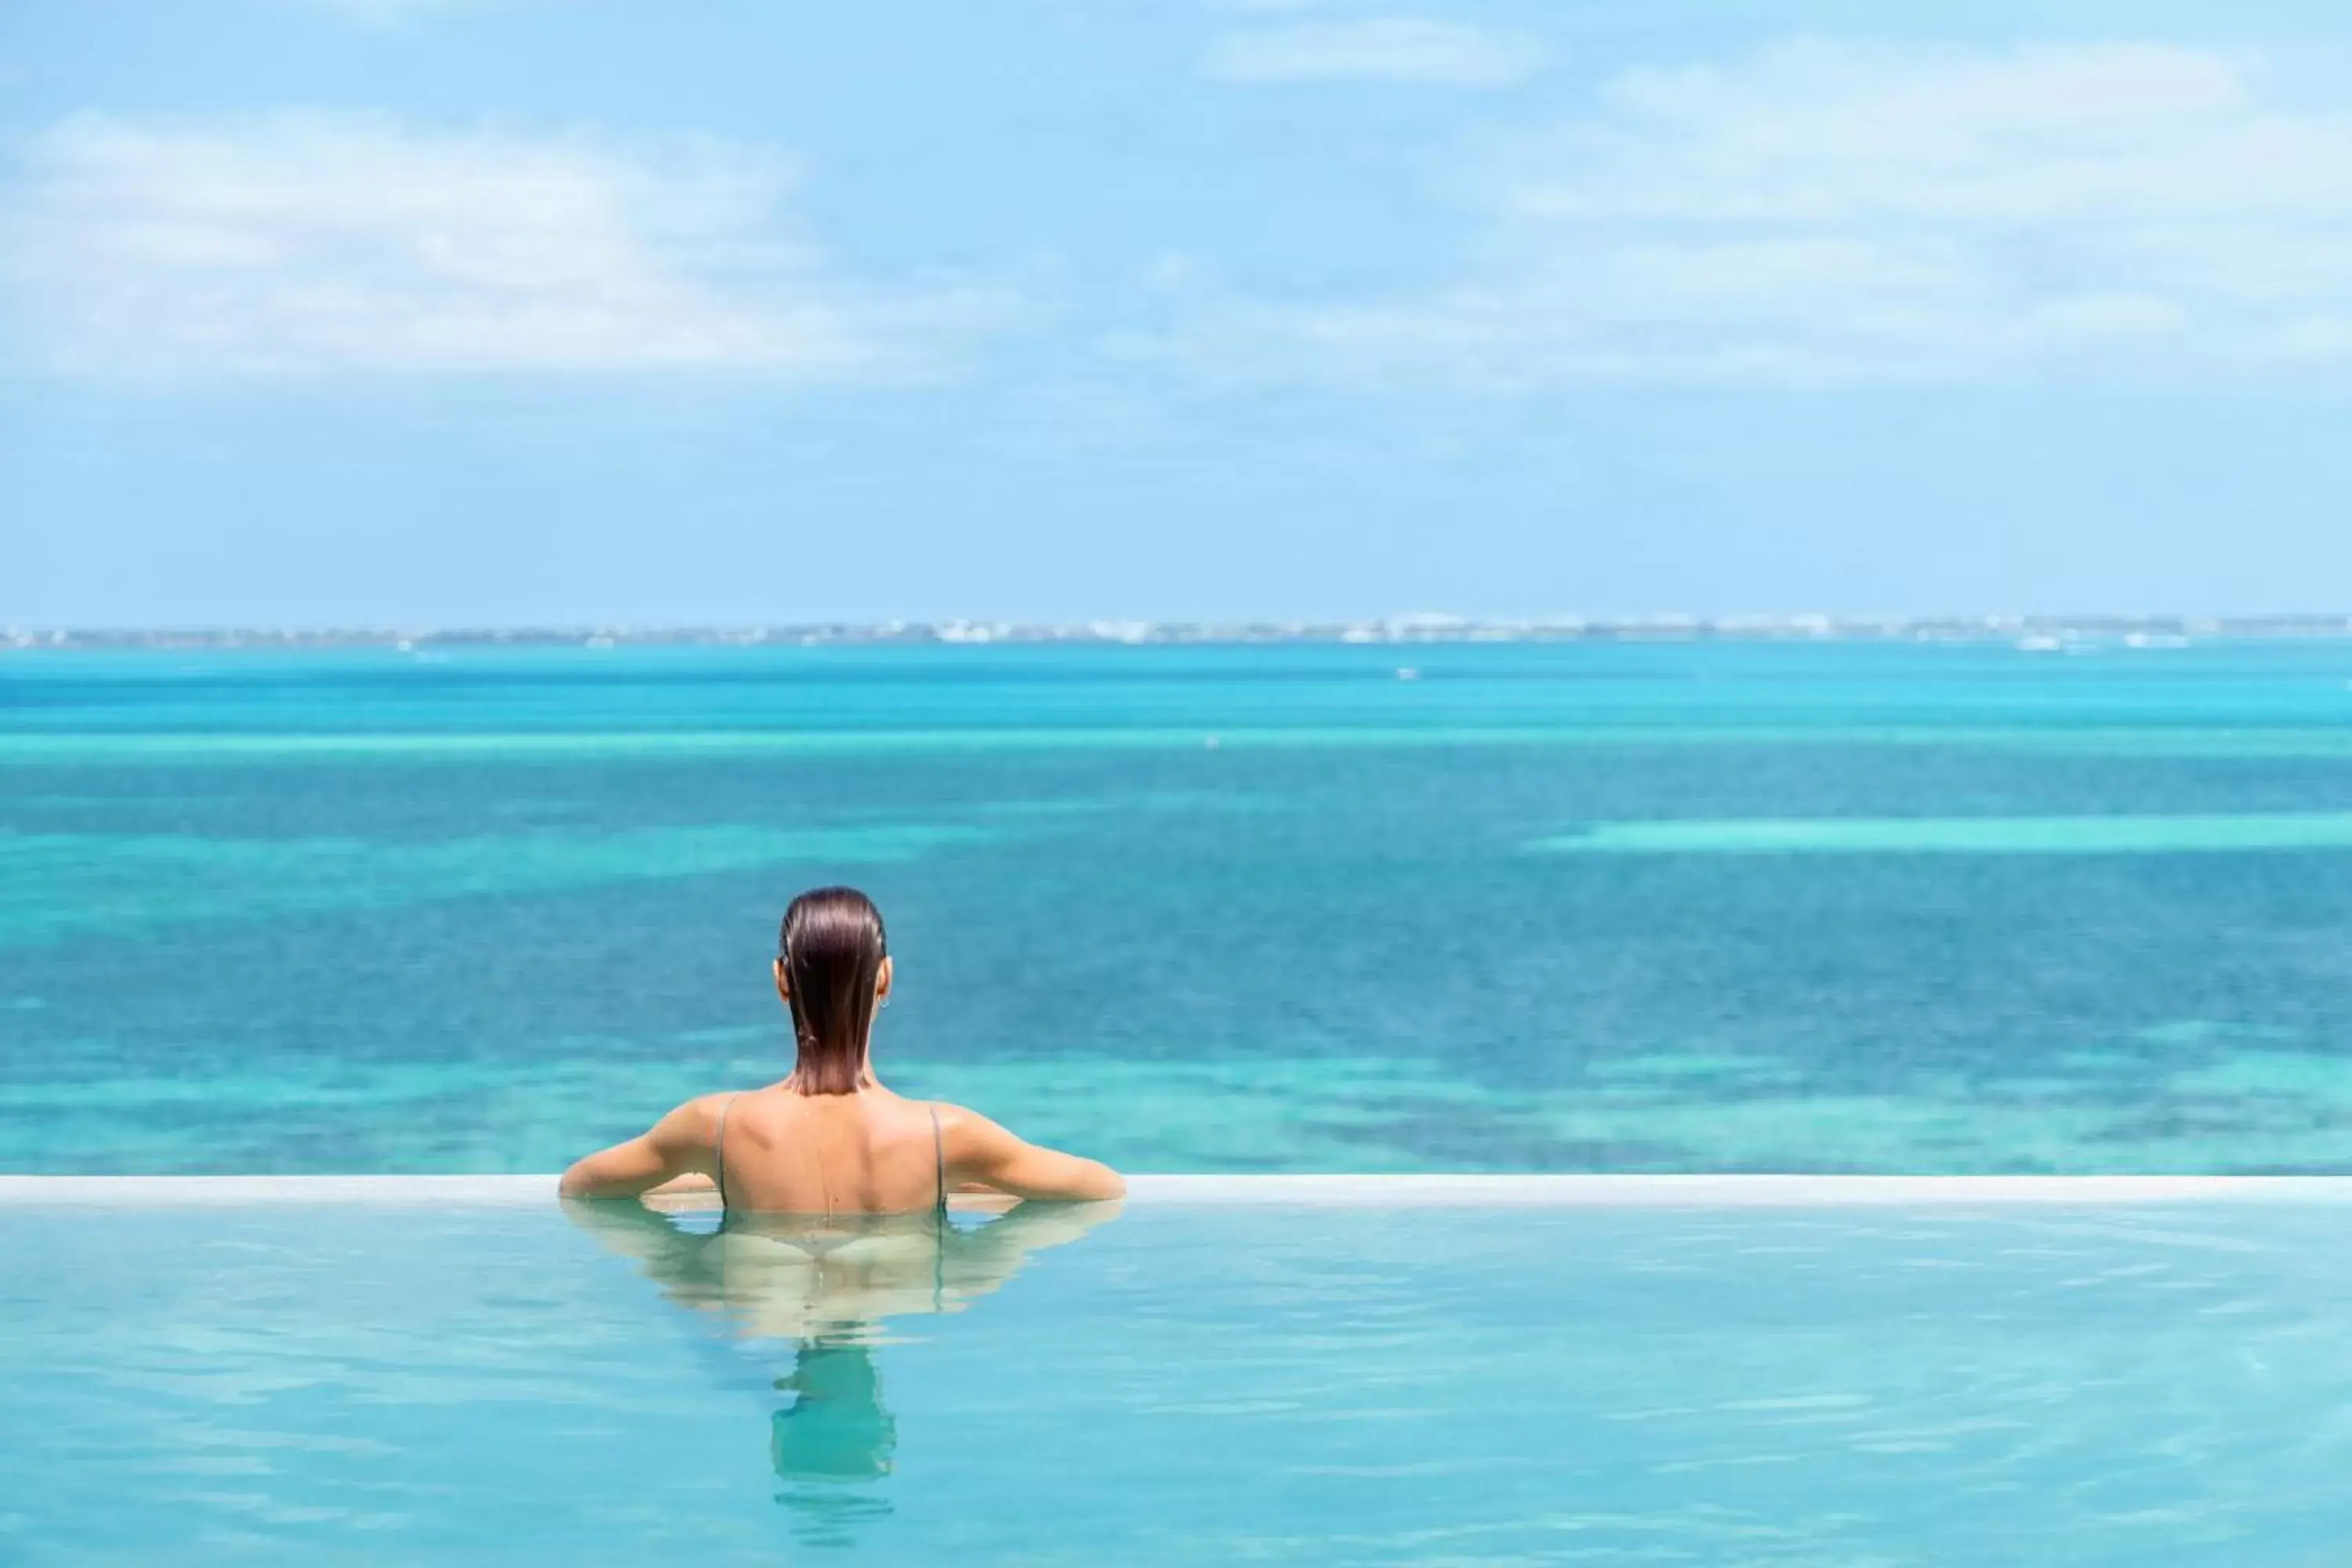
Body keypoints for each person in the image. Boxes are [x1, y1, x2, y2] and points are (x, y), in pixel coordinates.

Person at [559, 885, 1127, 1210]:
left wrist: (710, 1175)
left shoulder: (715, 1129)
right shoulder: (946, 1139)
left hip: (764, 1313)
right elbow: (1102, 1188)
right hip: (893, 1307)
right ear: (885, 980)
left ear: (781, 981)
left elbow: (580, 1185)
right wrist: (966, 1176)